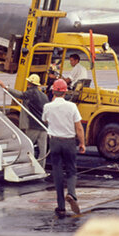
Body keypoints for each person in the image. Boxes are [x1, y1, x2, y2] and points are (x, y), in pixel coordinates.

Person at [42, 78, 86, 217]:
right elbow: (78, 127)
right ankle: (72, 194)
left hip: (54, 142)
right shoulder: (72, 107)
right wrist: (82, 143)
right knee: (72, 170)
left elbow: (45, 120)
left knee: (58, 174)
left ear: (53, 91)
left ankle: (61, 206)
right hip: (69, 142)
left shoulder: (48, 106)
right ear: (66, 92)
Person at [0, 73, 48, 161]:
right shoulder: (44, 96)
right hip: (43, 127)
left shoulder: (31, 93)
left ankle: (24, 164)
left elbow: (20, 95)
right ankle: (41, 168)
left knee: (27, 147)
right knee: (42, 151)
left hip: (33, 126)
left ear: (29, 83)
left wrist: (6, 88)